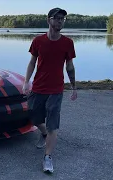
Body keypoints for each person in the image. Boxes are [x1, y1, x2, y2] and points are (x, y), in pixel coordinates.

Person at [22, 7, 77, 173]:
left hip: (56, 89)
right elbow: (32, 62)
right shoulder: (38, 41)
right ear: (49, 20)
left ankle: (47, 157)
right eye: (57, 18)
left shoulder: (68, 43)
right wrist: (26, 81)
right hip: (38, 87)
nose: (60, 21)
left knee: (53, 124)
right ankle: (44, 133)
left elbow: (69, 66)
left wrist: (74, 87)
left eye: (62, 19)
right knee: (32, 115)